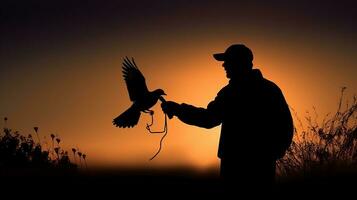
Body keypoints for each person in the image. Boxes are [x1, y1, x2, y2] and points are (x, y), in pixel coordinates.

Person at [161, 44, 294, 189]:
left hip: (235, 164)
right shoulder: (270, 89)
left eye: (228, 61)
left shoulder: (231, 92)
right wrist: (273, 153)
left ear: (239, 63)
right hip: (261, 164)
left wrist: (178, 109)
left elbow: (209, 119)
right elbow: (286, 125)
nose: (224, 65)